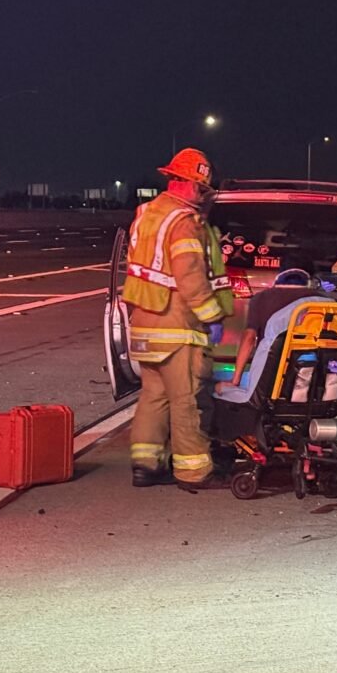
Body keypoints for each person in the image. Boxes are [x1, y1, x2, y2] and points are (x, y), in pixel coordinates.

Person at [122, 148, 234, 489]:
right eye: (201, 188)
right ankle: (193, 471)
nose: (203, 195)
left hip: (144, 323)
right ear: (186, 183)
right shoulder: (185, 222)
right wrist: (211, 315)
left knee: (153, 395)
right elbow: (190, 276)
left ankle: (145, 464)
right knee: (187, 401)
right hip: (177, 327)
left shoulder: (148, 214)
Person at [214, 266, 322, 400]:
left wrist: (235, 381)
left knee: (215, 389)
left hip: (269, 382)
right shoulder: (324, 301)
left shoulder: (262, 298)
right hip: (314, 379)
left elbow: (249, 338)